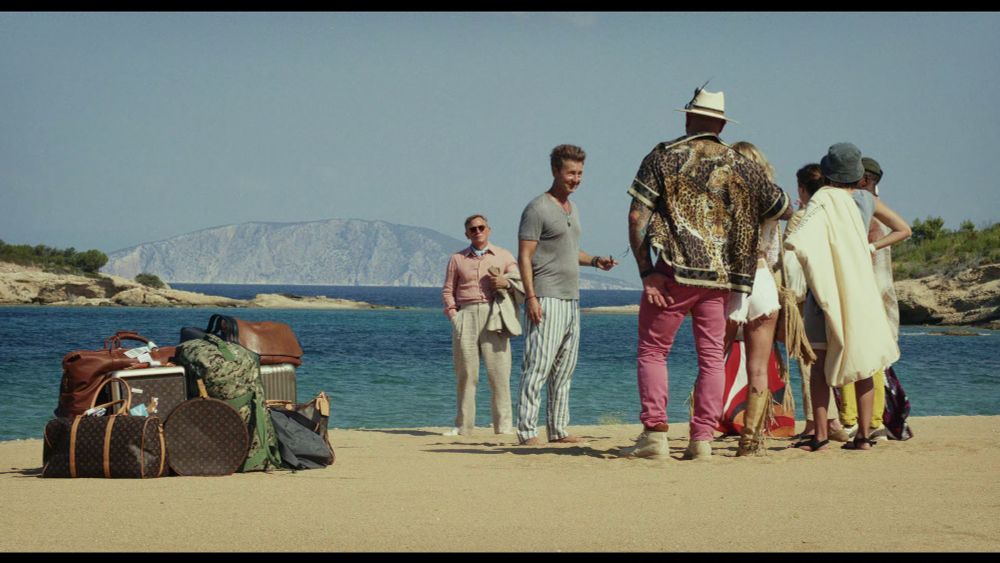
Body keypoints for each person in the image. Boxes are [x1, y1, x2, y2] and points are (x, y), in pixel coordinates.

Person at [623, 85, 791, 461]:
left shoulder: (663, 156)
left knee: (653, 350)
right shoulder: (743, 165)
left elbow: (638, 216)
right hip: (720, 278)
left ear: (688, 117)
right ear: (720, 123)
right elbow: (782, 206)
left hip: (673, 270)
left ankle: (655, 433)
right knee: (712, 358)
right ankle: (701, 440)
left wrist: (647, 271)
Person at [784, 143, 910, 452]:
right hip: (861, 289)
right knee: (864, 362)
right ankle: (864, 436)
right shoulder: (866, 200)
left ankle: (820, 435)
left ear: (828, 172)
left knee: (819, 363)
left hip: (825, 291)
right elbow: (903, 229)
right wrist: (870, 248)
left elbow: (802, 240)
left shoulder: (822, 199)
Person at [515, 144, 618, 446]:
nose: (576, 179)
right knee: (537, 366)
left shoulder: (573, 209)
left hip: (572, 299)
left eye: (580, 173)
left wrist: (596, 261)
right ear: (555, 171)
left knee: (564, 369)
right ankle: (526, 432)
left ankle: (558, 429)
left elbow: (571, 252)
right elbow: (525, 256)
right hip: (545, 297)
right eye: (571, 172)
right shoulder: (537, 208)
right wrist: (531, 297)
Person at [725, 141, 785, 456]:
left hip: (731, 281)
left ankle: (702, 432)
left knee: (712, 361)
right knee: (759, 368)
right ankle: (751, 439)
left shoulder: (723, 200)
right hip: (762, 279)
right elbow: (773, 253)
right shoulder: (770, 204)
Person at [441, 214, 520, 436]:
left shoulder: (503, 256)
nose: (477, 231)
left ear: (489, 229)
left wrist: (505, 282)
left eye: (481, 227)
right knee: (466, 374)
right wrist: (454, 316)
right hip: (465, 315)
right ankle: (463, 426)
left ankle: (503, 427)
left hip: (494, 314)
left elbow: (520, 282)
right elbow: (448, 290)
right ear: (467, 233)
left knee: (500, 374)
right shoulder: (457, 259)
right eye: (472, 229)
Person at [837, 157, 894, 440]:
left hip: (864, 289)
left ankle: (852, 419)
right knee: (875, 360)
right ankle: (874, 420)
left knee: (851, 355)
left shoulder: (862, 206)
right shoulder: (875, 206)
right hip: (880, 291)